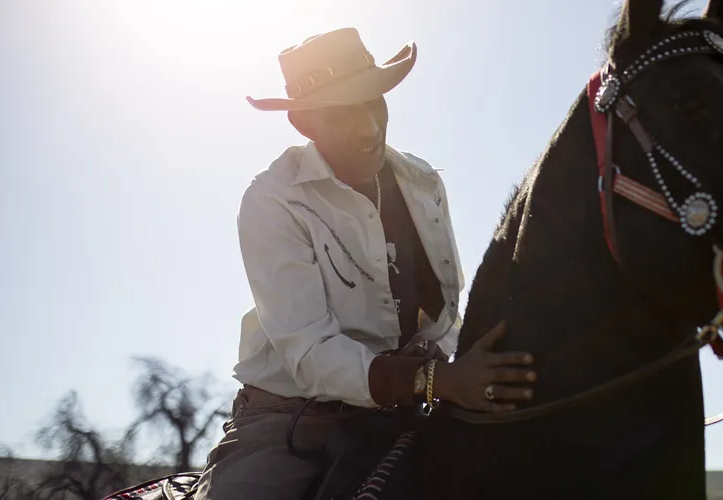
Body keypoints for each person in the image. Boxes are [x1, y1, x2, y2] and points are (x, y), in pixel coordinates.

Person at [193, 28, 538, 500]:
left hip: (416, 404)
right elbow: (311, 354)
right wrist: (437, 381)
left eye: (374, 102)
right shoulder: (273, 200)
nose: (370, 127)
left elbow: (443, 316)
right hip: (296, 417)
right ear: (304, 123)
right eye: (342, 112)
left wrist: (468, 370)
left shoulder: (422, 181)